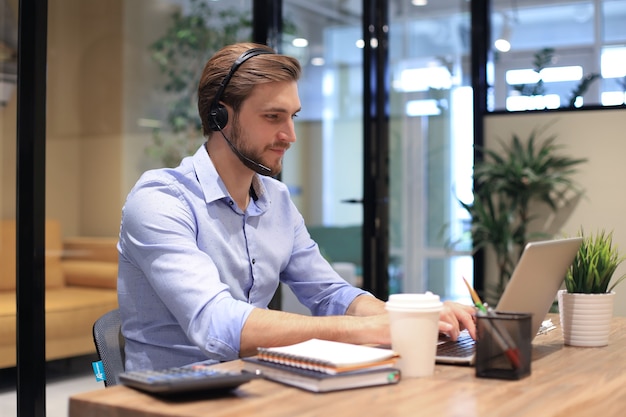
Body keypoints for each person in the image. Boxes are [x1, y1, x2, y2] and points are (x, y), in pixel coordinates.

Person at [117, 42, 476, 372]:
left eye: (293, 117)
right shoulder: (161, 200)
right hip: (172, 397)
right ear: (219, 118)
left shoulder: (277, 201)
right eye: (273, 117)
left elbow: (330, 293)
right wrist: (369, 329)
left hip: (252, 387)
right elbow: (216, 323)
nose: (290, 135)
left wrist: (411, 317)